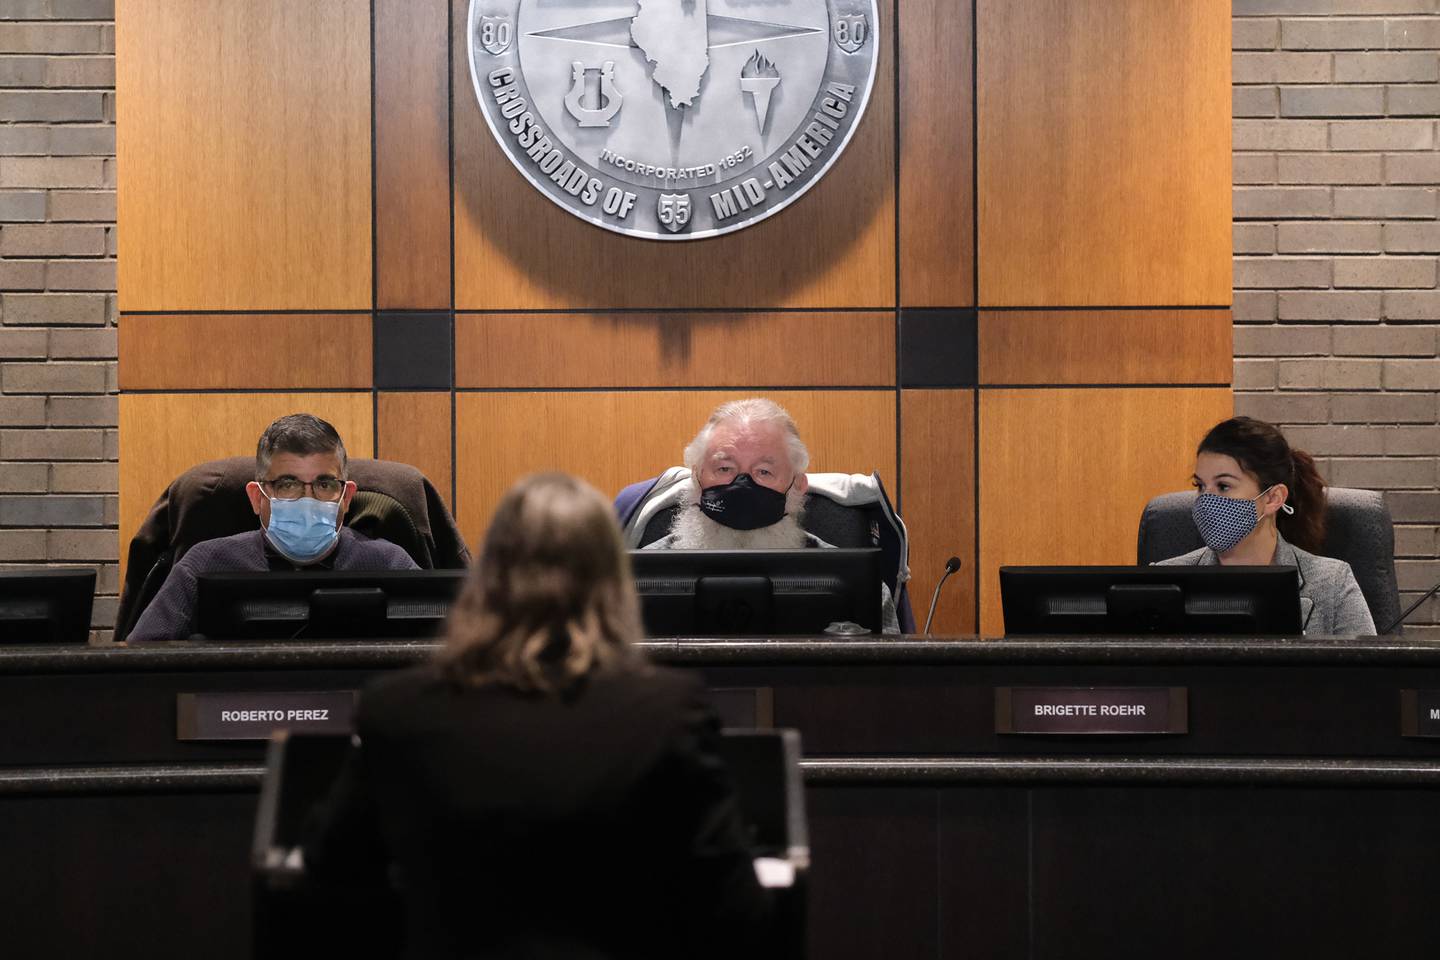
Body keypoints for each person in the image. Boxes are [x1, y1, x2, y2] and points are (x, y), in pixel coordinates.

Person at [303, 473, 773, 959]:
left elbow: (330, 880)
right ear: (613, 581)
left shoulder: (396, 708)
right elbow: (736, 910)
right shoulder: (669, 712)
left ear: (487, 577)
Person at [625, 397, 904, 632]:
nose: (742, 485)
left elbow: (893, 689)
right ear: (696, 478)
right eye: (724, 469)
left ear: (798, 485)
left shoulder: (865, 593)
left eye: (764, 472)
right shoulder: (623, 587)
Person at [128, 413, 417, 640]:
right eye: (287, 484)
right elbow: (143, 663)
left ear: (346, 496)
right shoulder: (205, 565)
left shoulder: (389, 564)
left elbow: (444, 660)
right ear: (257, 497)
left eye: (325, 483)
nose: (308, 498)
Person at [1156, 416, 1375, 636]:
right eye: (1200, 486)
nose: (1206, 500)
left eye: (1223, 486)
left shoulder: (1332, 583)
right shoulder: (1162, 582)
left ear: (1273, 498)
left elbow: (1368, 669)